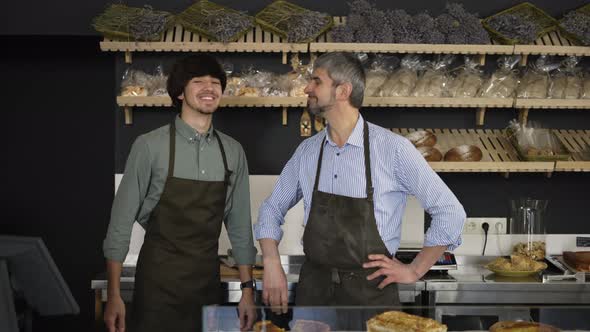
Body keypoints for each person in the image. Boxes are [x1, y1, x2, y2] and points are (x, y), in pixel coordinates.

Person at [255, 52, 466, 312]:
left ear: (343, 90)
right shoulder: (308, 151)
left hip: (371, 298)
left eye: (317, 81)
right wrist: (272, 262)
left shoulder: (393, 149)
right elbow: (271, 208)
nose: (307, 87)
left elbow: (450, 211)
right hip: (315, 294)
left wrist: (414, 270)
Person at [103, 54, 257, 332]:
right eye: (198, 81)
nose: (209, 88)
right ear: (179, 92)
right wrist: (114, 295)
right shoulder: (149, 146)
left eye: (215, 82)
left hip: (206, 289)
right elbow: (120, 223)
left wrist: (248, 290)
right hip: (156, 290)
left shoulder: (233, 152)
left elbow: (240, 226)